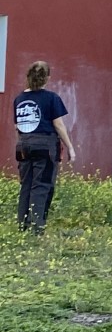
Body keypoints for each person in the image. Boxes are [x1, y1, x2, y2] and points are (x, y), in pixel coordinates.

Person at [13, 60, 76, 233]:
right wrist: (69, 147)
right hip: (45, 145)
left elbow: (17, 126)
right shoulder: (51, 98)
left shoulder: (19, 99)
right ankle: (37, 229)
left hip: (23, 144)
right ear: (47, 78)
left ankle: (23, 227)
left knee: (26, 185)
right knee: (42, 185)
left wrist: (23, 143)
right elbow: (59, 125)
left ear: (28, 76)